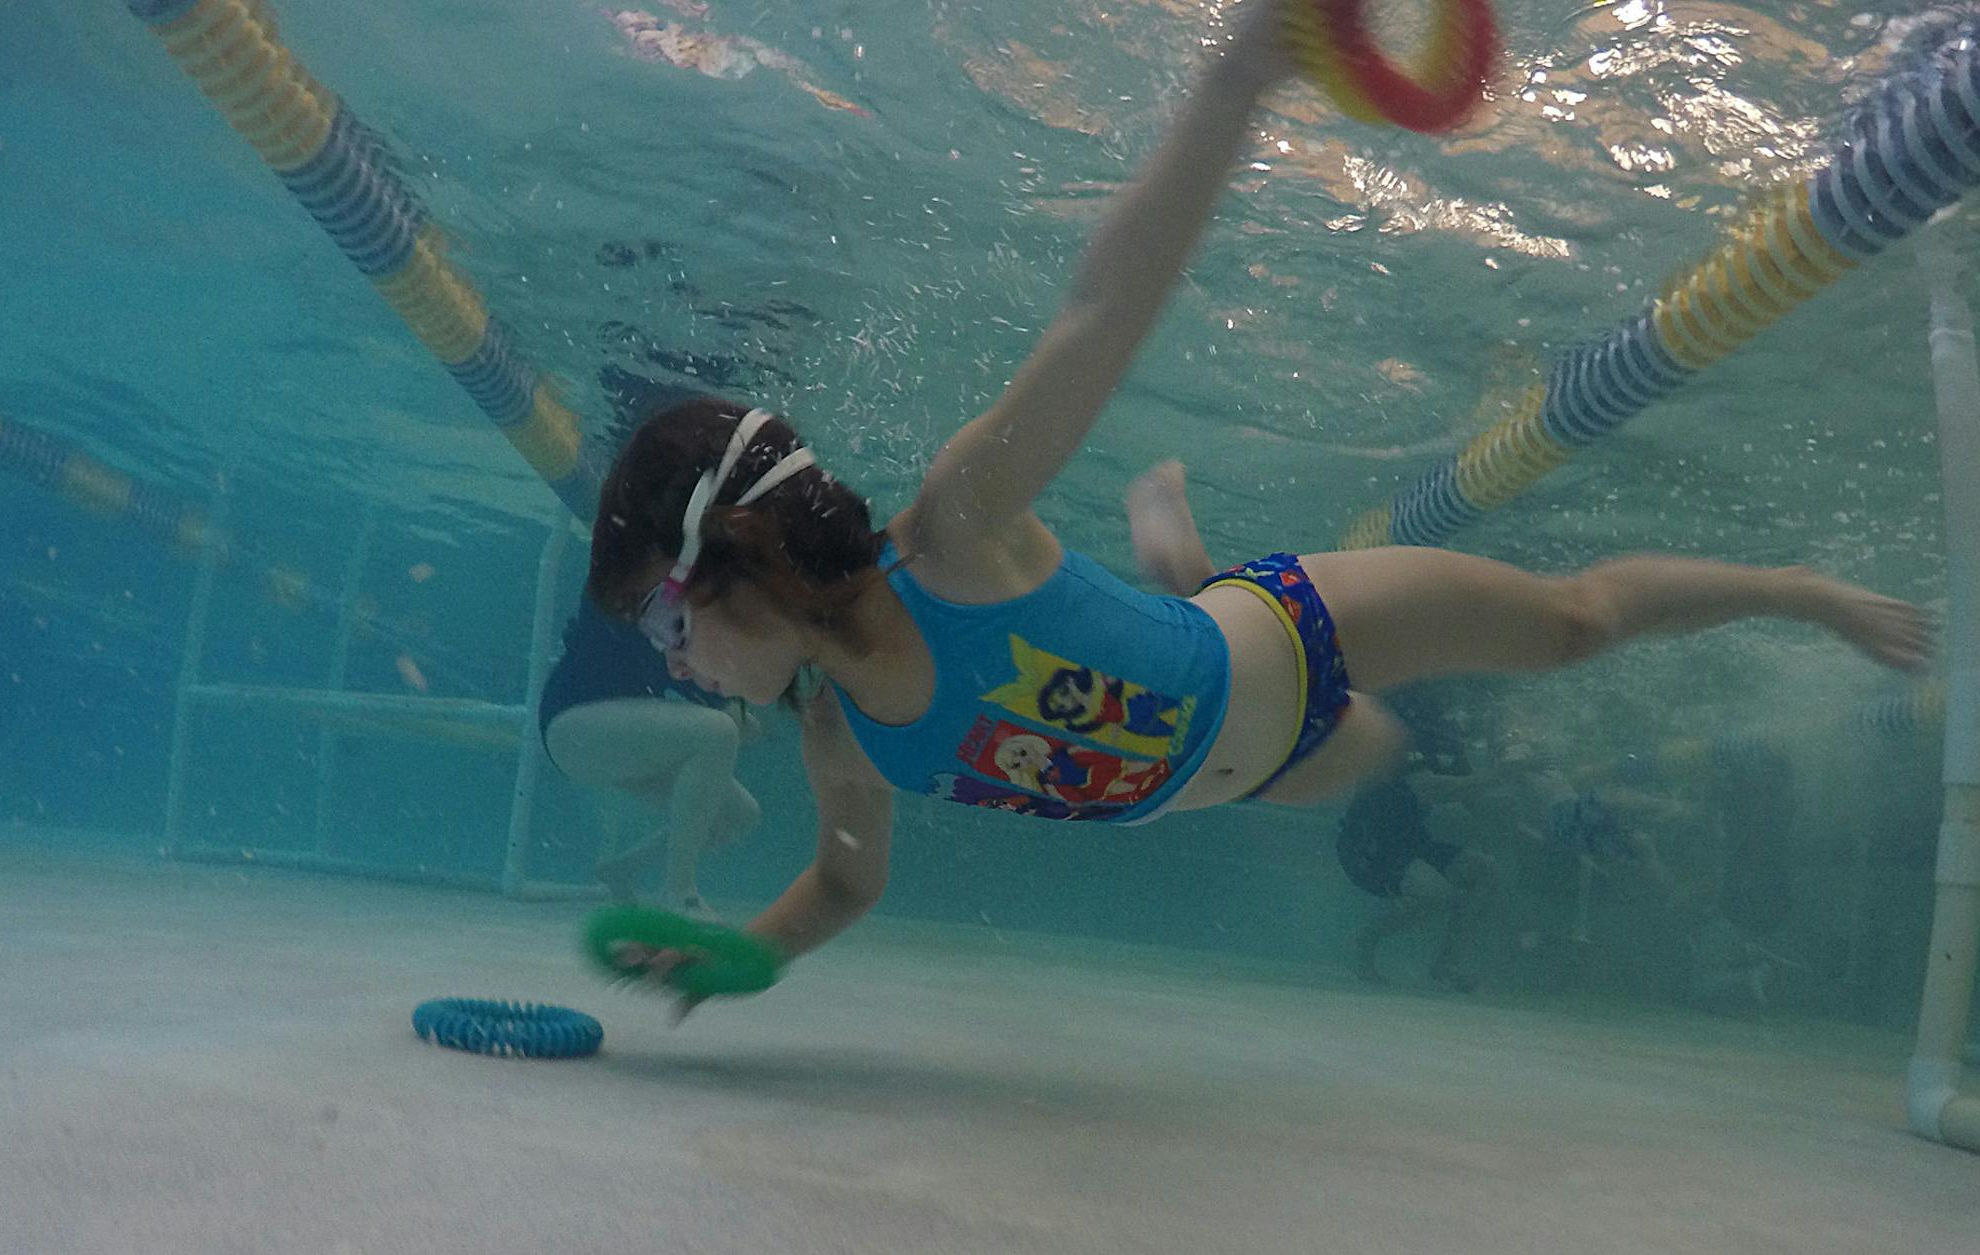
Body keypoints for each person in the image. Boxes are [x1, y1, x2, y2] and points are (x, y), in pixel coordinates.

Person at [582, 0, 1932, 1007]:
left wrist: (1240, 75)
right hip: (1252, 770)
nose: (676, 661)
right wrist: (743, 954)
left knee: (1572, 625)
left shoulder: (956, 530)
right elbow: (846, 879)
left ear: (736, 558)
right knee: (1366, 755)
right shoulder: (838, 732)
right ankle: (1181, 568)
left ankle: (1794, 588)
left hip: (1293, 637)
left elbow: (1103, 308)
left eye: (668, 623)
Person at [539, 594, 761, 917]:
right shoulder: (634, 586)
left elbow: (683, 672)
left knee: (739, 814)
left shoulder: (679, 610)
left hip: (607, 736)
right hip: (571, 723)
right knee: (719, 732)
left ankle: (625, 868)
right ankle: (680, 893)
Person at [1335, 772, 1500, 991]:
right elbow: (1439, 788)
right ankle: (1364, 939)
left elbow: (1468, 793)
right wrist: (1509, 771)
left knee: (1485, 870)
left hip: (1412, 840)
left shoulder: (1447, 753)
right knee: (1435, 893)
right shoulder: (1396, 756)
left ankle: (1448, 964)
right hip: (1371, 846)